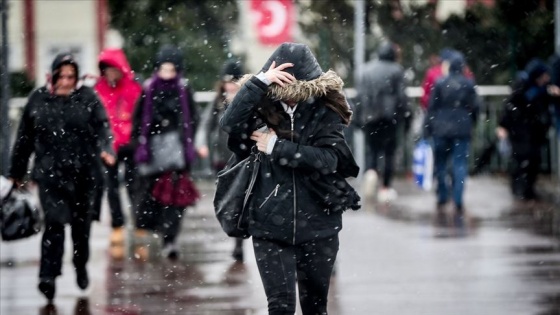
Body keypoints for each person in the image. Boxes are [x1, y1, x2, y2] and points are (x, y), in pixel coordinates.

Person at [220, 42, 360, 315]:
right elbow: (229, 125)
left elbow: (328, 159)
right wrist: (258, 82)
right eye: (281, 91)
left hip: (319, 225)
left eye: (295, 92)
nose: (289, 99)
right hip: (269, 225)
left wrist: (278, 148)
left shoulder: (325, 111)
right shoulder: (261, 106)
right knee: (280, 308)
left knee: (315, 308)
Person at [8, 52, 115, 301]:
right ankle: (48, 276)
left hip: (84, 174)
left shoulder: (87, 97)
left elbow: (103, 127)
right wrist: (16, 173)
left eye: (71, 76)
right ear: (53, 76)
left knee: (81, 228)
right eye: (61, 76)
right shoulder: (38, 99)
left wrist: (106, 149)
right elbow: (24, 138)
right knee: (54, 225)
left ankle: (80, 264)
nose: (66, 81)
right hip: (49, 175)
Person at [131, 45, 200, 260]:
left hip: (177, 155)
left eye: (171, 69)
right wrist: (140, 144)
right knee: (151, 198)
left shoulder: (183, 89)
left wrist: (186, 144)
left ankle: (170, 239)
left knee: (175, 199)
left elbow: (193, 119)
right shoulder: (149, 89)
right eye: (164, 69)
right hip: (151, 154)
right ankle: (159, 232)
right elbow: (138, 120)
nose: (167, 74)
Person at [195, 59, 246, 261]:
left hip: (243, 157)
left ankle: (239, 241)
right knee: (228, 200)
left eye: (234, 81)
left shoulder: (247, 100)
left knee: (240, 199)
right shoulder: (218, 103)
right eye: (227, 81)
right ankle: (234, 232)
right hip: (223, 160)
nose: (230, 85)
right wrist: (202, 144)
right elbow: (205, 125)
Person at [94, 48, 142, 256]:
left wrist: (134, 138)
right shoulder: (98, 89)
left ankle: (139, 223)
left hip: (129, 145)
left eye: (113, 69)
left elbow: (139, 116)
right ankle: (117, 225)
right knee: (111, 188)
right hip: (109, 148)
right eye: (107, 70)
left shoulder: (133, 87)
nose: (110, 74)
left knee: (134, 186)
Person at [424, 52, 480, 227]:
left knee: (440, 164)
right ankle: (457, 199)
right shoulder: (468, 84)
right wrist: (472, 122)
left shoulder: (440, 83)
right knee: (460, 164)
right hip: (462, 129)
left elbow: (431, 108)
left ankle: (442, 197)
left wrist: (428, 128)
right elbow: (476, 107)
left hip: (441, 128)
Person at [356, 41, 411, 204]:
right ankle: (385, 188)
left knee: (372, 149)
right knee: (389, 153)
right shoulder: (397, 70)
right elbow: (402, 97)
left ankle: (371, 172)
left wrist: (358, 118)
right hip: (389, 117)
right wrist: (405, 116)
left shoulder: (366, 70)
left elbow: (360, 96)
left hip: (370, 116)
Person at [497, 58, 556, 201]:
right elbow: (509, 107)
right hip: (520, 132)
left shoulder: (543, 89)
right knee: (521, 161)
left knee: (533, 161)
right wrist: (503, 126)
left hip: (534, 132)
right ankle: (519, 190)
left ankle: (527, 190)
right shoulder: (523, 87)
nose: (546, 78)